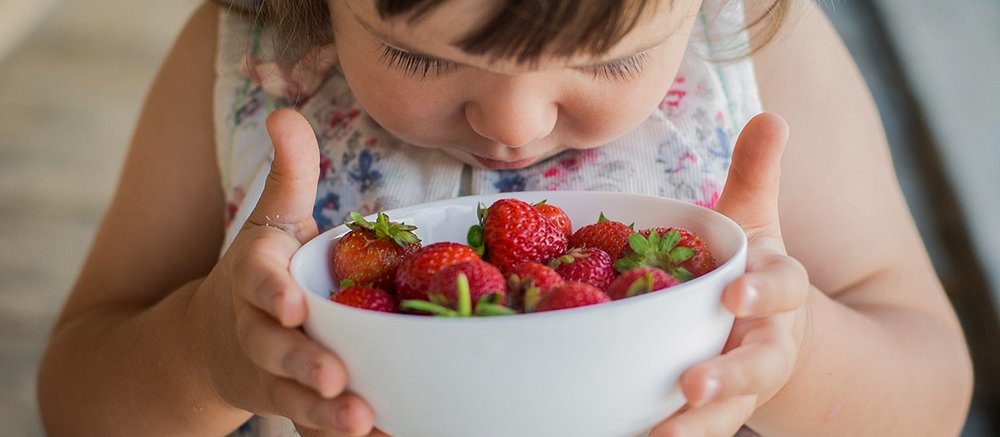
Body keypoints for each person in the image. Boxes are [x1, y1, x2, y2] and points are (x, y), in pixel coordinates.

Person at [36, 0, 974, 436]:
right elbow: (77, 395)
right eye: (419, 58)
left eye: (610, 62)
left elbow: (933, 397)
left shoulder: (758, 48)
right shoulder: (246, 59)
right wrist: (207, 354)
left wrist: (784, 350)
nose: (515, 127)